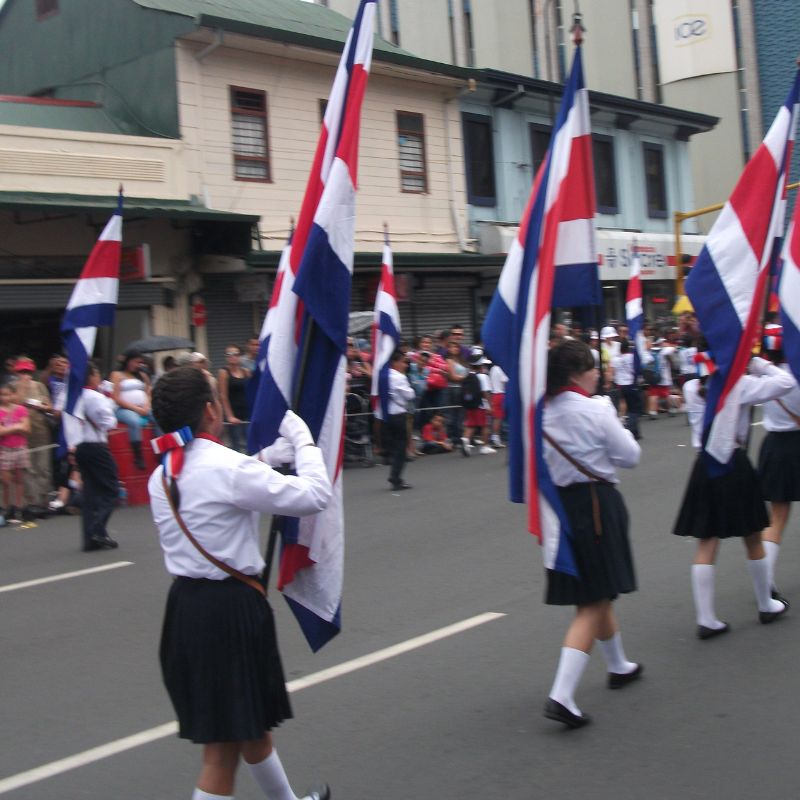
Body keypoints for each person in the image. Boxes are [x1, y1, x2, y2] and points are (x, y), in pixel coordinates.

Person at [147, 366, 331, 800]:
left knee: (251, 732)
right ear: (211, 410)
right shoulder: (226, 468)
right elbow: (314, 496)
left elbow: (224, 480)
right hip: (228, 613)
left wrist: (267, 457)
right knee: (220, 753)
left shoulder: (164, 474)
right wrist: (303, 442)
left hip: (187, 610)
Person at [542, 339, 642, 728]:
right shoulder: (595, 408)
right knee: (593, 600)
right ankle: (561, 694)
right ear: (575, 373)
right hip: (597, 503)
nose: (598, 372)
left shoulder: (540, 413)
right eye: (593, 367)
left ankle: (619, 664)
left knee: (598, 590)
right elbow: (630, 455)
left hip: (562, 509)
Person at [673, 352, 794, 638]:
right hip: (734, 462)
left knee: (706, 539)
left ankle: (706, 618)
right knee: (753, 536)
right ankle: (766, 604)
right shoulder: (741, 384)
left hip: (705, 463)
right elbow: (786, 381)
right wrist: (756, 363)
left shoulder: (692, 388)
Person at [757, 325, 800, 603]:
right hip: (796, 442)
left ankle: (765, 580)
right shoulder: (794, 376)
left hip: (773, 443)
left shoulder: (765, 378)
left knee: (777, 516)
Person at [68, 361, 120, 551]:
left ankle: (90, 538)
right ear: (91, 375)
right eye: (96, 373)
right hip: (96, 446)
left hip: (80, 445)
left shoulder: (72, 397)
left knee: (90, 492)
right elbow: (109, 422)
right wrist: (108, 399)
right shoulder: (95, 397)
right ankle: (97, 529)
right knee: (110, 489)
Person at [13, 356, 54, 515]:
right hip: (22, 433)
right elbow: (14, 404)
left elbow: (49, 406)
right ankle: (31, 501)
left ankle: (44, 501)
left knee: (43, 467)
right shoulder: (11, 386)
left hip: (41, 430)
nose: (26, 374)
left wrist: (40, 406)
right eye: (22, 371)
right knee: (28, 469)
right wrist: (22, 388)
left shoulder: (39, 386)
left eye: (28, 371)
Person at [111, 350, 153, 470]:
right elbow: (116, 397)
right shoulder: (117, 375)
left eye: (140, 363)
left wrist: (146, 406)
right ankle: (138, 455)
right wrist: (136, 409)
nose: (138, 365)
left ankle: (160, 447)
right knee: (133, 421)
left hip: (143, 407)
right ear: (129, 361)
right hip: (124, 408)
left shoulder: (142, 376)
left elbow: (148, 393)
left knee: (157, 417)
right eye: (136, 362)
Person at [384, 350, 415, 490]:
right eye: (403, 362)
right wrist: (411, 390)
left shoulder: (384, 375)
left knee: (396, 446)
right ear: (395, 362)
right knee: (401, 449)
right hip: (398, 414)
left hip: (388, 414)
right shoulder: (398, 377)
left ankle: (395, 475)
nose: (405, 365)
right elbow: (409, 395)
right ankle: (396, 478)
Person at [0, 381, 30, 524]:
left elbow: (27, 429)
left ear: (13, 395)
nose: (4, 397)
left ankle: (18, 507)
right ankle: (6, 507)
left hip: (20, 446)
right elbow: (1, 431)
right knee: (5, 480)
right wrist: (17, 426)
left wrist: (10, 428)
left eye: (7, 394)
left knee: (19, 478)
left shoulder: (21, 409)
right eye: (2, 395)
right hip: (4, 448)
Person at [460, 348, 495, 456]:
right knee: (485, 425)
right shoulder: (483, 377)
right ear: (481, 366)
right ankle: (485, 446)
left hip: (471, 404)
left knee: (471, 425)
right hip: (481, 405)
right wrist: (490, 405)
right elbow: (485, 392)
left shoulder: (469, 376)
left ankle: (465, 439)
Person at [218, 344, 251, 453]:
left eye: (235, 354)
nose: (232, 357)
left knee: (249, 443)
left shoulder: (245, 371)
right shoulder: (224, 372)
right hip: (233, 413)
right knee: (237, 445)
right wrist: (230, 416)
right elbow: (223, 396)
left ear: (240, 356)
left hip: (246, 412)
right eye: (229, 354)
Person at [611, 338, 641, 440]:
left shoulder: (616, 359)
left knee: (626, 405)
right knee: (634, 409)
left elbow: (613, 372)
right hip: (631, 384)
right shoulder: (632, 358)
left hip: (620, 385)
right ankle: (628, 429)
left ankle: (636, 432)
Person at [488, 359, 508, 449]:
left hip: (494, 394)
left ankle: (495, 437)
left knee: (496, 418)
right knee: (498, 418)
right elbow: (505, 380)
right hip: (500, 394)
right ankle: (496, 438)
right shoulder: (500, 368)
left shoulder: (493, 369)